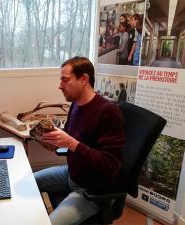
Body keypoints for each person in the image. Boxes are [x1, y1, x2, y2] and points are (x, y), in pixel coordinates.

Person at [34, 56, 125, 225]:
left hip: (92, 191)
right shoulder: (76, 104)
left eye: (65, 80)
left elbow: (110, 165)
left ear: (83, 79)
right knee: (28, 183)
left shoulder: (109, 112)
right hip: (72, 174)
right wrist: (50, 137)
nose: (60, 85)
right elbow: (69, 136)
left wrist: (71, 143)